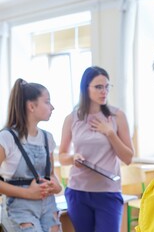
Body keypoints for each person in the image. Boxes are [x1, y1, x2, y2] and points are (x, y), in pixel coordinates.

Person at [58, 66, 134, 232]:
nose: (104, 91)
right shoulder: (72, 118)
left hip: (108, 193)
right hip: (78, 192)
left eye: (107, 86)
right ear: (86, 88)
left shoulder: (117, 116)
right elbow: (62, 156)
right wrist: (73, 158)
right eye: (99, 87)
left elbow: (128, 158)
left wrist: (110, 133)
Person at [0, 78, 62, 232]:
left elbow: (51, 174)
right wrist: (27, 192)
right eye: (47, 102)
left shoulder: (48, 138)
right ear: (31, 106)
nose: (52, 107)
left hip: (48, 205)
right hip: (19, 208)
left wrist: (56, 185)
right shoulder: (6, 137)